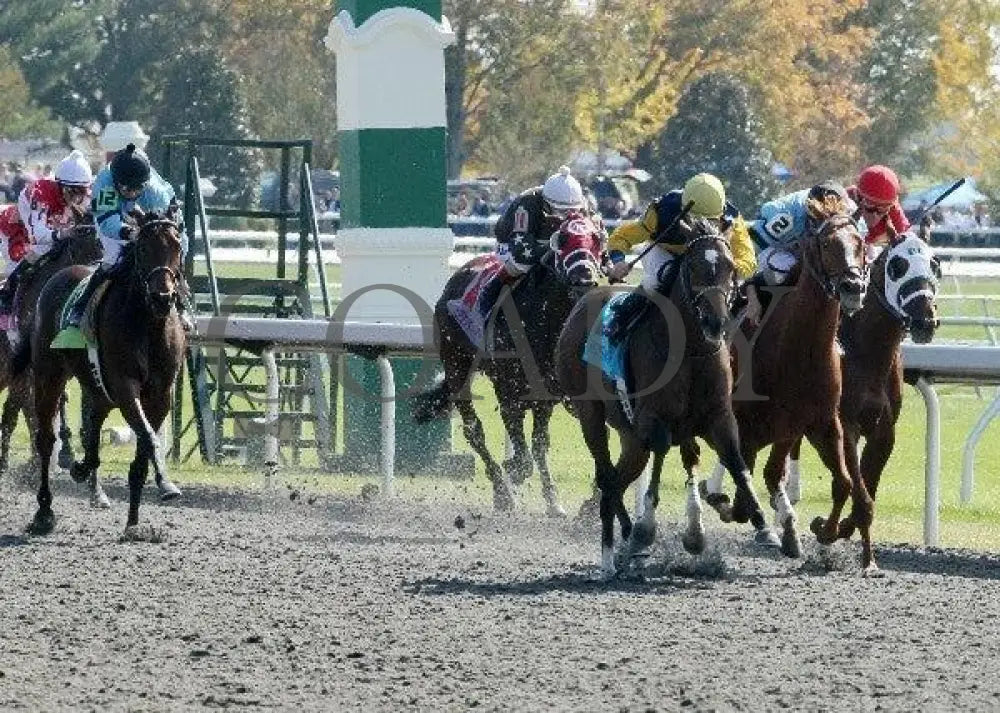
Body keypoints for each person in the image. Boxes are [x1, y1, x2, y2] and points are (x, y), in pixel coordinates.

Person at [53, 143, 190, 346]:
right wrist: (129, 232)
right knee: (113, 257)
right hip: (113, 215)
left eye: (137, 189)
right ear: (117, 182)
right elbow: (108, 223)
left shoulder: (155, 192)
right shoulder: (105, 183)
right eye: (127, 189)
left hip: (151, 210)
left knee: (171, 250)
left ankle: (181, 303)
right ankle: (79, 310)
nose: (132, 193)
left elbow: (171, 232)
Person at [603, 173, 756, 341]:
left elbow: (747, 258)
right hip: (666, 252)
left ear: (721, 213)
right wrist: (618, 261)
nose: (704, 227)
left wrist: (728, 270)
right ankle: (623, 316)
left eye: (711, 222)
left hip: (706, 260)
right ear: (684, 208)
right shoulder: (662, 210)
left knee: (728, 284)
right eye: (697, 220)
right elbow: (623, 236)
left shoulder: (732, 219)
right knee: (656, 280)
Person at [466, 166, 596, 320]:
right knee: (519, 267)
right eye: (560, 211)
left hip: (551, 241)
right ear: (546, 202)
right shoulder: (527, 204)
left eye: (571, 210)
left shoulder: (582, 205)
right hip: (512, 241)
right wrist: (551, 247)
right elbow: (521, 251)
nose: (566, 216)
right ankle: (486, 296)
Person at [0, 150, 94, 326]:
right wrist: (62, 233)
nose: (77, 197)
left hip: (51, 215)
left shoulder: (86, 193)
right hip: (19, 225)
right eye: (73, 191)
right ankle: (5, 301)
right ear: (59, 185)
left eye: (82, 191)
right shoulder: (41, 193)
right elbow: (38, 235)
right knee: (40, 250)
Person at [743, 180, 855, 323]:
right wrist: (752, 293)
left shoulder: (849, 212)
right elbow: (749, 249)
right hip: (768, 246)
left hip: (800, 249)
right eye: (821, 223)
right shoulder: (785, 216)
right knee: (784, 266)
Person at [846, 164, 909, 250]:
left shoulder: (893, 211)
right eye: (871, 208)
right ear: (858, 198)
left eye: (882, 210)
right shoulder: (845, 202)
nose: (875, 216)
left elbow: (907, 240)